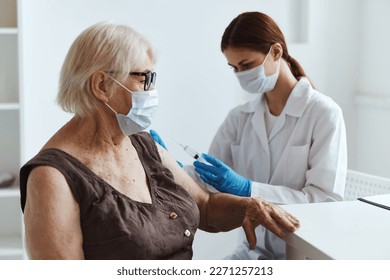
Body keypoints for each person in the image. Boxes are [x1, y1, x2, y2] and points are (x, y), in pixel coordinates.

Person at [19, 22, 299, 260]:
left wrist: (248, 205)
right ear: (102, 85)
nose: (153, 90)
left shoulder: (142, 144)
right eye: (145, 78)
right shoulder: (52, 177)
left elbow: (206, 207)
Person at [152, 11, 347, 260]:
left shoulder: (323, 113)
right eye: (234, 68)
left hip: (303, 257)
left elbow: (324, 203)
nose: (241, 74)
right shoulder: (240, 117)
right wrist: (171, 168)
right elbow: (207, 179)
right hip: (253, 251)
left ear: (275, 52)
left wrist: (248, 189)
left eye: (247, 65)